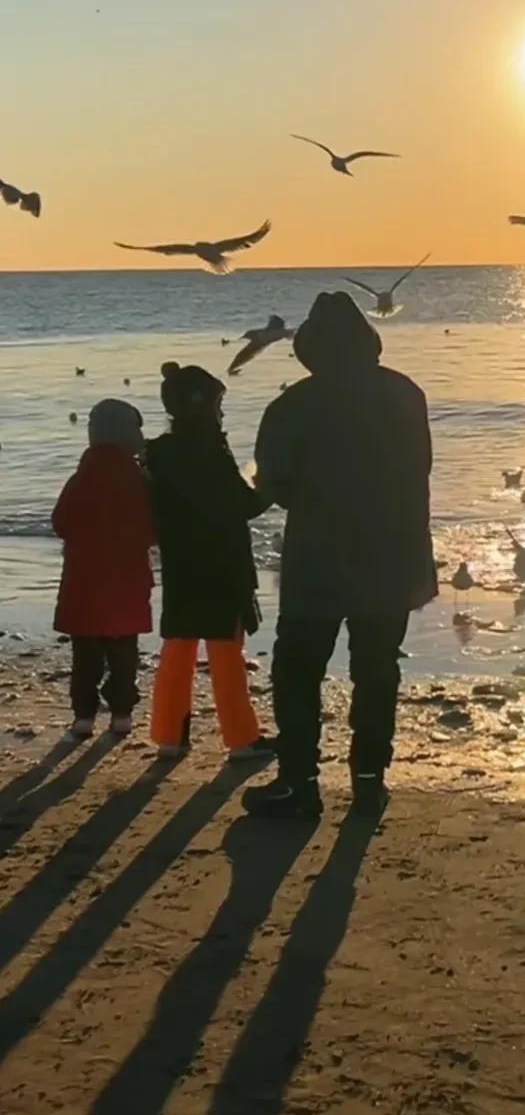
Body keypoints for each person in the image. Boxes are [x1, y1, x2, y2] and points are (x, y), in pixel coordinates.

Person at [245, 290, 437, 822]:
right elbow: (421, 468)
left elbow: (275, 484)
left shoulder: (292, 405)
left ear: (310, 350)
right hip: (393, 555)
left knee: (298, 670)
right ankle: (370, 782)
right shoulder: (406, 393)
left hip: (320, 559)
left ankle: (300, 783)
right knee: (377, 670)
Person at [146, 362, 275, 763]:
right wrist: (268, 484)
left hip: (181, 565)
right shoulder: (209, 452)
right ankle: (241, 738)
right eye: (218, 406)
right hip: (222, 566)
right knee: (225, 651)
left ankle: (169, 735)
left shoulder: (158, 453)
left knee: (178, 648)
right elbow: (243, 505)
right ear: (199, 406)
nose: (221, 414)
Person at [52, 399, 155, 740]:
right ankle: (122, 715)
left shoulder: (81, 478)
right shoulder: (139, 480)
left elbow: (60, 522)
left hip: (84, 584)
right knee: (125, 653)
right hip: (127, 583)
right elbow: (153, 527)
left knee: (85, 656)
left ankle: (83, 718)